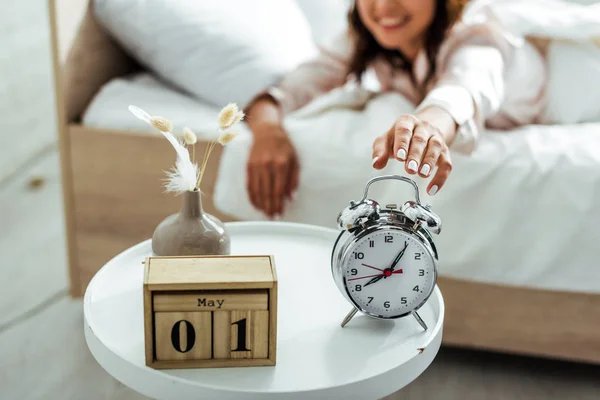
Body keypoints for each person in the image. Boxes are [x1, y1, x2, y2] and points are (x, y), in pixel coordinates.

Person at [244, 0, 546, 218]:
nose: (384, 8)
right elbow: (287, 90)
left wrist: (428, 125)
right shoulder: (366, 36)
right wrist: (269, 131)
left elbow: (465, 88)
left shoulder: (477, 32)